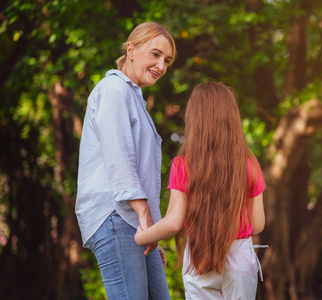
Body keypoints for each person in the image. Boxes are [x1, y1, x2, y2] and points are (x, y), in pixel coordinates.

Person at [135, 82, 267, 299]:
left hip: (200, 255)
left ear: (194, 120)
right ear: (232, 119)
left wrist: (141, 238)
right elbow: (258, 224)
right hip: (241, 258)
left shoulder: (183, 164)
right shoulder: (249, 163)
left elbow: (174, 222)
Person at [75, 22, 176, 300]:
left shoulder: (133, 97)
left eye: (166, 60)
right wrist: (145, 218)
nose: (161, 65)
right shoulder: (113, 89)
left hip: (134, 220)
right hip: (115, 215)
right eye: (155, 54)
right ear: (130, 50)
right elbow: (119, 158)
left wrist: (150, 226)